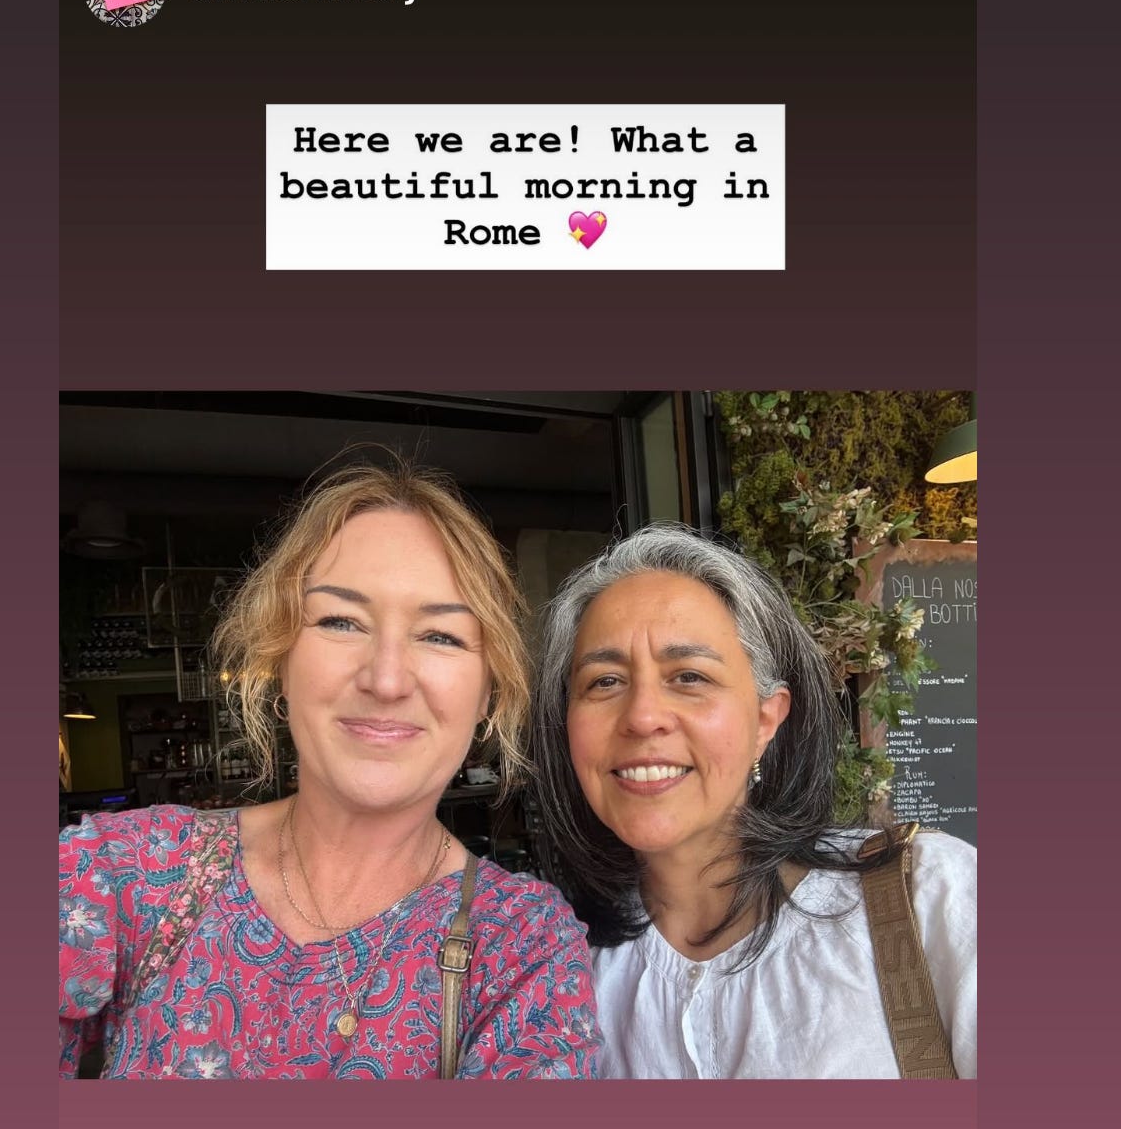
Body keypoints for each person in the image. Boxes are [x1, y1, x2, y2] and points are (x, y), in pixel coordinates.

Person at [60, 460, 600, 1079]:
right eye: (341, 621)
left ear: (486, 693)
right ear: (280, 660)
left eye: (441, 636)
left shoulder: (523, 949)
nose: (387, 679)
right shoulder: (128, 872)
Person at [531, 525, 976, 1079]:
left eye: (689, 676)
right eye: (604, 682)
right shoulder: (547, 971)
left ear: (767, 718)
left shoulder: (931, 898)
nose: (643, 716)